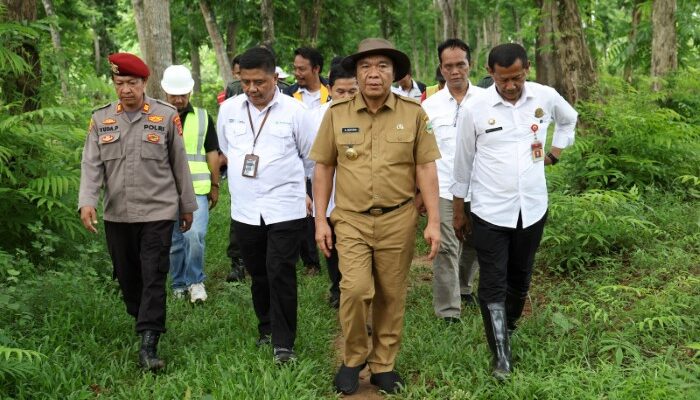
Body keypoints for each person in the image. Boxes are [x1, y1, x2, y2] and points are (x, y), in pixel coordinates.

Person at [311, 38, 441, 395]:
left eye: (382, 66)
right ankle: (354, 358)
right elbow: (323, 168)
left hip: (398, 218)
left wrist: (433, 220)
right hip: (350, 219)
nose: (373, 74)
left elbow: (426, 167)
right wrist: (320, 220)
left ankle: (384, 364)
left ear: (394, 73)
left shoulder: (413, 113)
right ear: (356, 73)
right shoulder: (336, 113)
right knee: (353, 289)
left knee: (391, 293)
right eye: (366, 67)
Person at [451, 43, 578, 380]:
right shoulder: (475, 109)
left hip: (533, 207)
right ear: (490, 73)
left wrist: (554, 154)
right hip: (490, 211)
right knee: (492, 281)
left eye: (517, 78)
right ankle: (501, 356)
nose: (510, 86)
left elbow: (570, 121)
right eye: (503, 79)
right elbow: (462, 162)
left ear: (527, 70)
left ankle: (508, 325)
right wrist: (459, 209)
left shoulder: (544, 97)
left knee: (520, 276)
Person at [78, 53, 197, 371]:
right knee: (129, 278)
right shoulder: (101, 119)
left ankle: (149, 343)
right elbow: (91, 165)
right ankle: (142, 317)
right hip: (117, 214)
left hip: (158, 211)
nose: (126, 89)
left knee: (154, 275)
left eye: (132, 83)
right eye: (120, 83)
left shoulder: (165, 115)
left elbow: (179, 165)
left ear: (145, 83)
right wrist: (87, 201)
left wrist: (186, 206)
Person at [216, 47, 314, 364]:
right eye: (246, 82)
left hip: (286, 205)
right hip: (245, 209)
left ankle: (284, 344)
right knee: (258, 273)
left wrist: (309, 193)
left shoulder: (296, 112)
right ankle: (266, 329)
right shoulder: (229, 110)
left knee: (281, 271)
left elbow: (310, 159)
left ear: (275, 77)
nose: (253, 89)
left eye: (259, 81)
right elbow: (227, 150)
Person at [421, 38, 485, 323]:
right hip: (444, 187)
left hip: (482, 188)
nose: (455, 71)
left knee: (474, 243)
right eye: (449, 66)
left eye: (460, 64)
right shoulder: (429, 106)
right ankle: (448, 311)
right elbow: (421, 153)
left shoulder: (487, 100)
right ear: (441, 68)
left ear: (470, 64)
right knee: (447, 247)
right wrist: (419, 193)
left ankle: (463, 286)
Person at [299, 62, 359, 308]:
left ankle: (357, 290)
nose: (345, 97)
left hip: (358, 194)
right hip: (325, 191)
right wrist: (304, 191)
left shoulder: (367, 115)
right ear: (329, 89)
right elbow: (303, 158)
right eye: (340, 92)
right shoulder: (312, 118)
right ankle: (337, 286)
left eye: (352, 91)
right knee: (330, 241)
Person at [161, 65, 220, 303]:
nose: (179, 99)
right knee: (175, 240)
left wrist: (215, 185)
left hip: (197, 189)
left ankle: (196, 280)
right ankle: (178, 283)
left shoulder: (204, 117)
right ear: (165, 92)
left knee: (195, 235)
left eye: (183, 94)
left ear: (190, 92)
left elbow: (212, 153)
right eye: (174, 95)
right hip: (165, 189)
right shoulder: (155, 117)